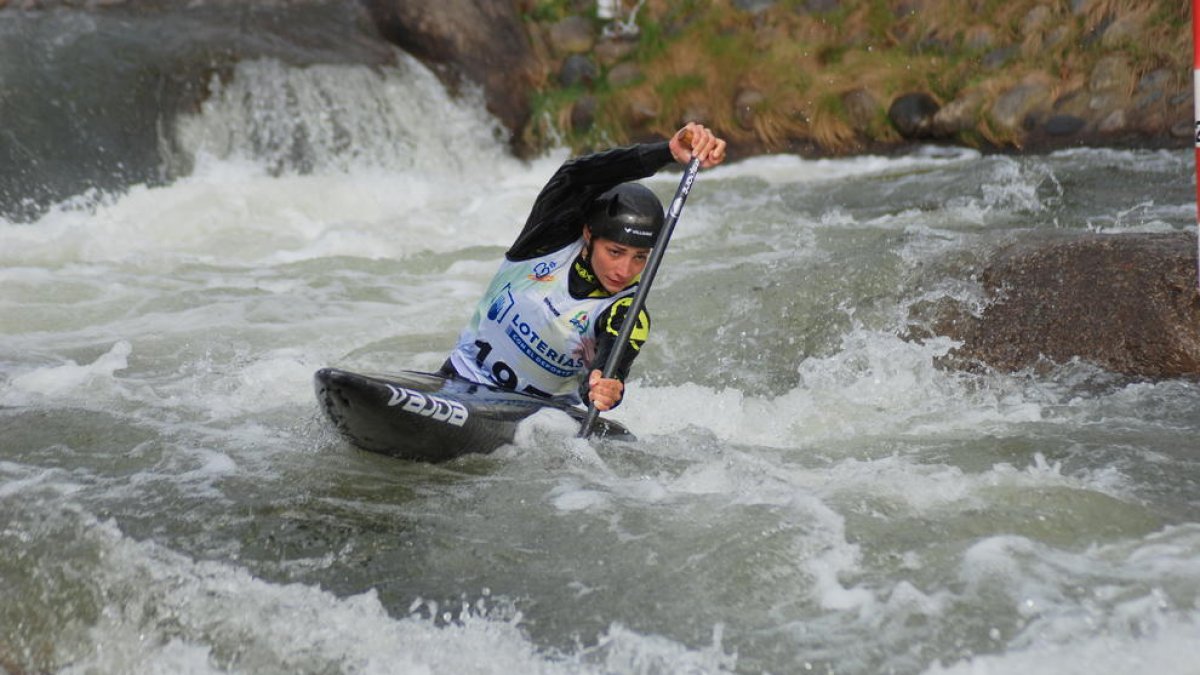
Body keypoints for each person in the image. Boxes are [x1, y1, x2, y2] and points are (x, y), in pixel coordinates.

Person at [441, 123, 727, 412]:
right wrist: (666, 151)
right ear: (589, 235)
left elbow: (606, 369)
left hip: (532, 425)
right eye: (615, 252)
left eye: (640, 257)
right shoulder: (546, 241)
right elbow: (576, 177)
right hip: (459, 381)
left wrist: (605, 388)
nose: (625, 270)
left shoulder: (626, 311)